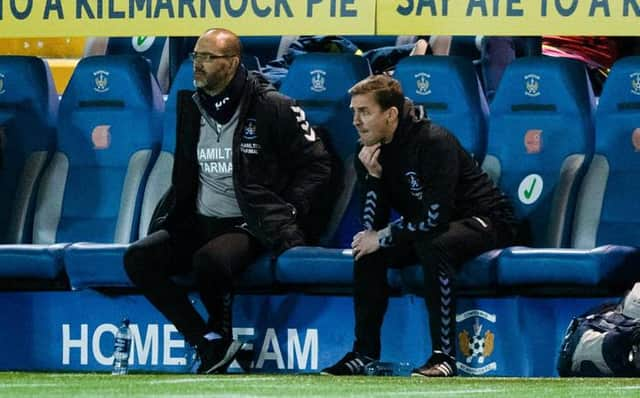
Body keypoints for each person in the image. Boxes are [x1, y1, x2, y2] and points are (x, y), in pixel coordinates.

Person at [124, 28, 332, 374]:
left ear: (233, 62)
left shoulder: (273, 106)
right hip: (200, 218)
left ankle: (220, 338)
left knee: (211, 260)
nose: (198, 65)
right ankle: (208, 342)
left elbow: (318, 164)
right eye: (196, 57)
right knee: (138, 258)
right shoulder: (191, 106)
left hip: (251, 222)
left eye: (208, 57)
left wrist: (290, 209)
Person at [321, 74, 518, 377]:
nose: (355, 121)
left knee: (434, 244)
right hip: (435, 227)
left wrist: (385, 236)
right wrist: (373, 178)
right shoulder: (369, 153)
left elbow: (433, 219)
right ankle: (364, 352)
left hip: (488, 221)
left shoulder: (433, 141)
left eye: (364, 112)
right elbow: (373, 225)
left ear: (391, 115)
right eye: (353, 112)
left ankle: (444, 357)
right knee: (367, 251)